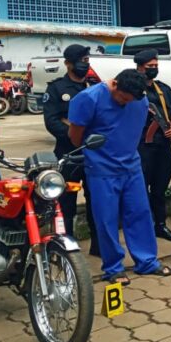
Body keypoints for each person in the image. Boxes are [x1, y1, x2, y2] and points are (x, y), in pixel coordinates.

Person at [68, 69, 171, 284]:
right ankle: (114, 268)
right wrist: (96, 155)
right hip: (102, 169)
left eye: (130, 100)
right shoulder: (89, 99)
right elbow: (75, 137)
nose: (125, 103)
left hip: (131, 167)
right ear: (114, 84)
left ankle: (147, 261)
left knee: (140, 214)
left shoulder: (140, 100)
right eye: (122, 98)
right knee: (106, 220)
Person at [43, 44, 99, 256]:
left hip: (93, 155)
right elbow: (52, 122)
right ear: (68, 63)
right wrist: (78, 134)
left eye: (87, 60)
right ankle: (67, 247)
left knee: (97, 202)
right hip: (68, 155)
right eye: (81, 61)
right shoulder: (57, 89)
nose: (86, 65)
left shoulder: (93, 86)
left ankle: (99, 246)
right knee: (66, 205)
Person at [136, 49, 171, 242]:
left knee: (160, 188)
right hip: (142, 147)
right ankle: (143, 227)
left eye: (155, 66)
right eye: (149, 67)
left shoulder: (163, 89)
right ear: (139, 67)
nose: (153, 69)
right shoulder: (132, 89)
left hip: (162, 146)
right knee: (141, 190)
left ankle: (160, 225)